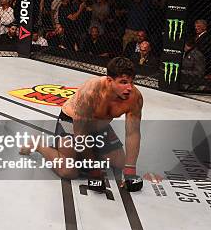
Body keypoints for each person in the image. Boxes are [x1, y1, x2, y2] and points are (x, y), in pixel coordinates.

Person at [20, 57, 144, 191]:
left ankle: (90, 154)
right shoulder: (91, 93)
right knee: (69, 171)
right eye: (123, 82)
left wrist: (130, 170)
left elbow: (133, 133)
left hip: (99, 127)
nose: (129, 88)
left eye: (131, 82)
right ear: (109, 80)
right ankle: (38, 145)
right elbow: (80, 134)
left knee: (120, 162)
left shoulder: (134, 98)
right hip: (72, 124)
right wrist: (93, 169)